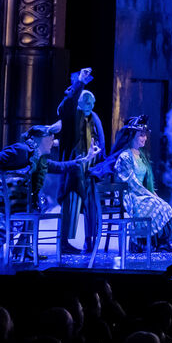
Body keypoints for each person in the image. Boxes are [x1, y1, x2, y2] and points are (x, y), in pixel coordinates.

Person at [0, 125, 100, 265]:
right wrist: (3, 181)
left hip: (8, 204)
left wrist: (87, 158)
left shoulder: (39, 159)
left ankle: (22, 249)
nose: (53, 142)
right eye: (50, 138)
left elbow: (61, 167)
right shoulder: (21, 150)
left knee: (37, 205)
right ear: (38, 139)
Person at [91, 116, 172, 252]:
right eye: (141, 135)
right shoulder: (125, 156)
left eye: (145, 135)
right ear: (132, 136)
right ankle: (141, 243)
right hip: (129, 195)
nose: (145, 138)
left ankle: (160, 242)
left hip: (141, 193)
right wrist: (150, 195)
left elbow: (145, 182)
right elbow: (131, 182)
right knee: (155, 204)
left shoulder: (141, 155)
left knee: (164, 205)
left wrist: (153, 194)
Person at [55, 66, 106, 254]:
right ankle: (64, 243)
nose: (90, 105)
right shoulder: (71, 115)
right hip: (74, 167)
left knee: (91, 205)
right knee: (71, 203)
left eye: (92, 102)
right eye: (87, 101)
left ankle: (89, 240)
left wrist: (100, 162)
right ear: (79, 101)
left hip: (90, 168)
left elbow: (101, 141)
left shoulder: (94, 118)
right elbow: (65, 106)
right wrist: (80, 83)